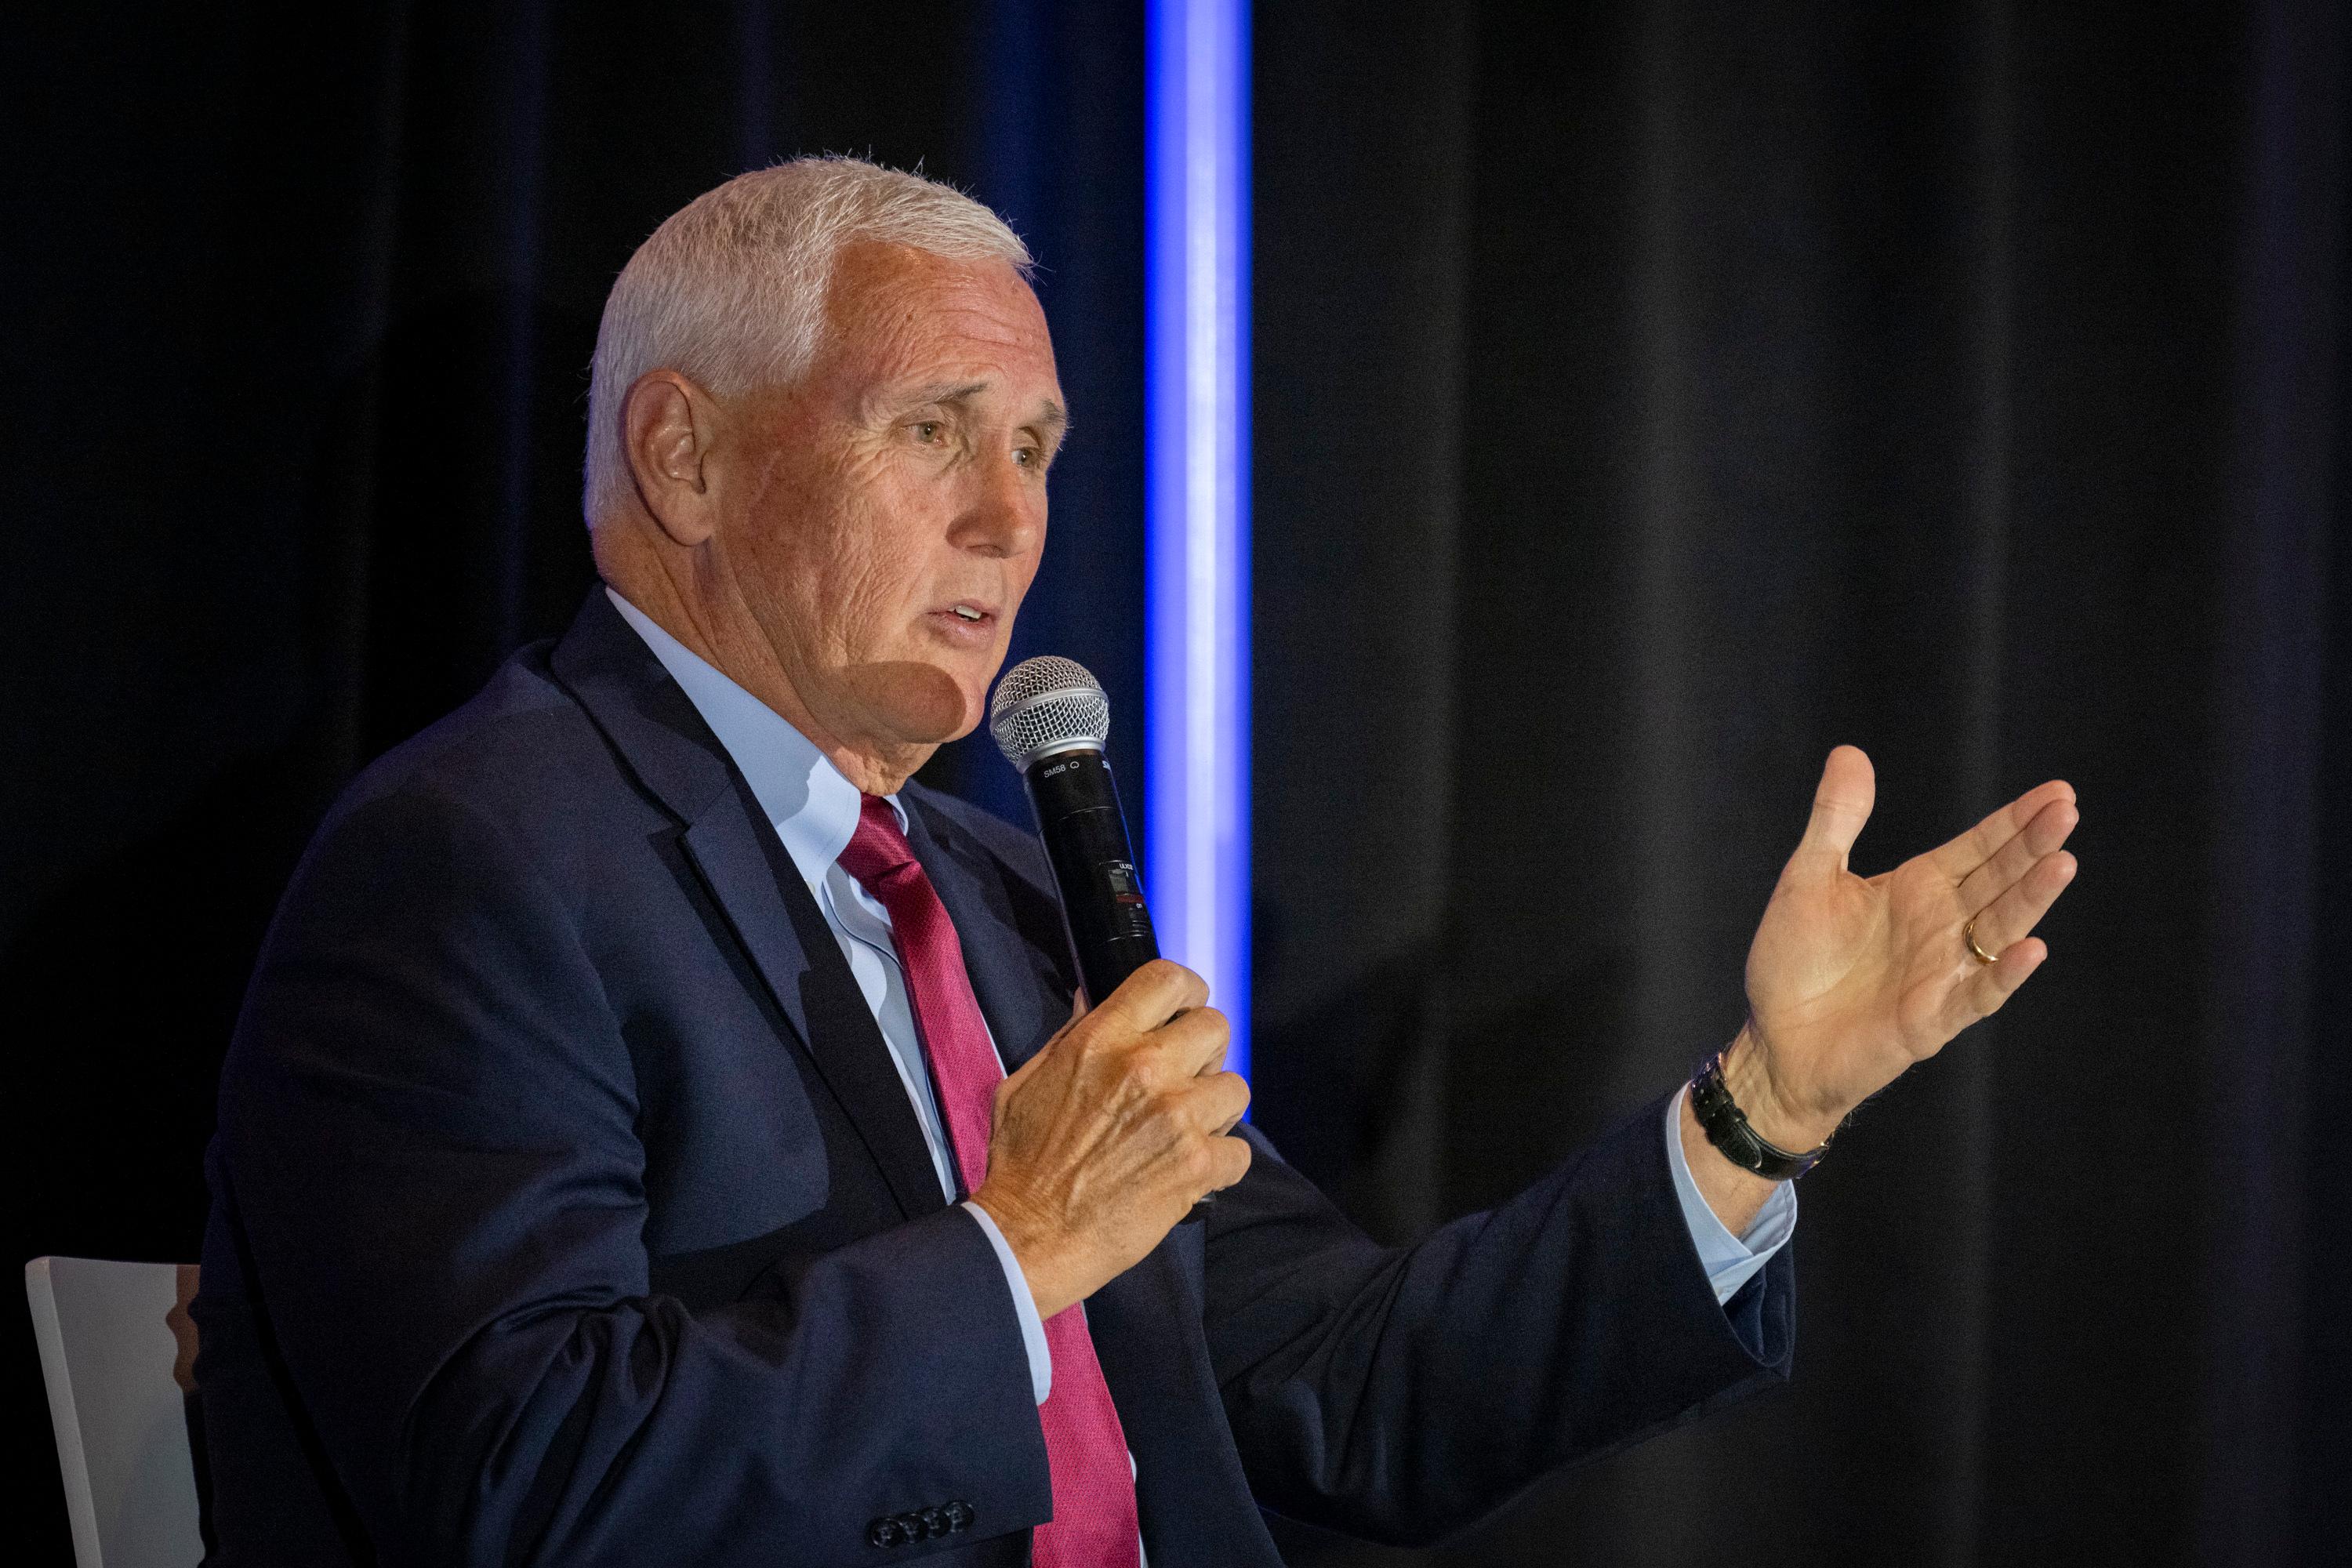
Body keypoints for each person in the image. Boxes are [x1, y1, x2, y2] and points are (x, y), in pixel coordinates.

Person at [192, 157, 2080, 1568]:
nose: (1010, 518)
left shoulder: (1005, 900)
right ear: (684, 458)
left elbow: (1345, 1383)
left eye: (1036, 448)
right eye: (929, 430)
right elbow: (520, 1483)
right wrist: (1014, 1252)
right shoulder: (473, 863)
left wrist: (1757, 1116)